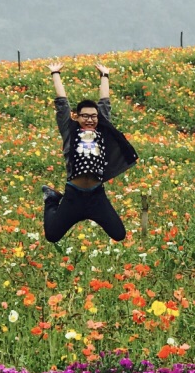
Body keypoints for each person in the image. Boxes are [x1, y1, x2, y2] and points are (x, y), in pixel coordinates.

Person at [43, 61, 138, 243]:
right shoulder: (69, 131)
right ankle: (51, 199)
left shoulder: (101, 130)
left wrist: (105, 76)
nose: (90, 119)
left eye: (93, 116)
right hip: (73, 195)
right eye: (85, 116)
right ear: (76, 116)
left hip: (96, 196)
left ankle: (60, 201)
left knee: (119, 234)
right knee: (52, 236)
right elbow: (62, 104)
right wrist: (55, 73)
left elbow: (104, 104)